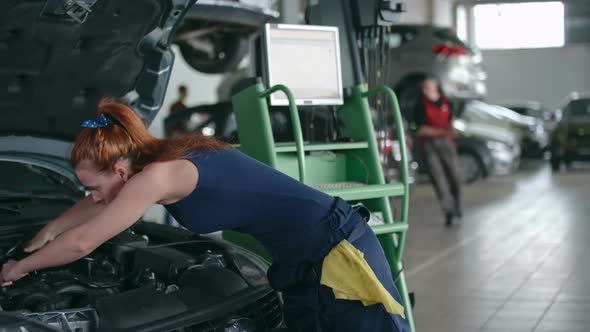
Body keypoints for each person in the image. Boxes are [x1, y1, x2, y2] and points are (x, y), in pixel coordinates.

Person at [0, 99, 410, 332]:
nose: (92, 195)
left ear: (122, 171)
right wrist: (50, 229)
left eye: (94, 185)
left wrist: (20, 266)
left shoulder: (158, 175)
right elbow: (97, 205)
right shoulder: (158, 157)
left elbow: (86, 242)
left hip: (338, 254)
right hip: (304, 260)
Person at [412, 77, 463, 226]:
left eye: (427, 87)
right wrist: (443, 132)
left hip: (447, 144)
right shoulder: (420, 105)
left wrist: (449, 130)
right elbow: (422, 130)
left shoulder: (447, 102)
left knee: (455, 177)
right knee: (439, 179)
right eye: (423, 88)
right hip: (430, 145)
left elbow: (452, 122)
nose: (425, 90)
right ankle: (449, 212)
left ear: (435, 87)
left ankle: (458, 207)